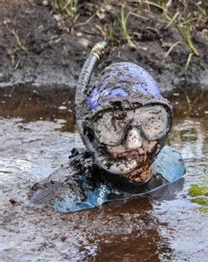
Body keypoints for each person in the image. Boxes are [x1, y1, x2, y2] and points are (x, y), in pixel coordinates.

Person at [29, 48, 185, 212]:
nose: (134, 142)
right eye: (114, 126)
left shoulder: (173, 165)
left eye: (149, 122)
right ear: (91, 134)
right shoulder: (65, 199)